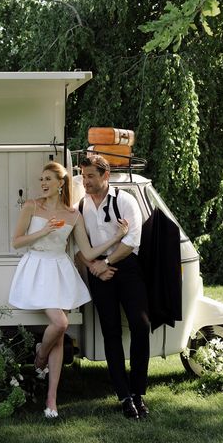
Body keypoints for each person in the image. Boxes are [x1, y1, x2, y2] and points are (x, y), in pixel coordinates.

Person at [8, 161, 128, 419]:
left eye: (48, 179)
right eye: (41, 179)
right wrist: (44, 231)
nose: (43, 184)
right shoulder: (31, 206)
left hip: (59, 271)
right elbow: (17, 242)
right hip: (37, 269)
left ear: (60, 184)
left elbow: (88, 252)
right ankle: (40, 358)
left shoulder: (74, 214)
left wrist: (116, 238)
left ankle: (51, 399)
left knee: (61, 335)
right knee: (60, 323)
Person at [75, 155, 150, 420]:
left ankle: (139, 392)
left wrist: (104, 263)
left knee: (141, 326)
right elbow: (78, 244)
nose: (85, 181)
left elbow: (132, 241)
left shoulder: (126, 200)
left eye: (90, 176)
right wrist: (94, 266)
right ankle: (124, 396)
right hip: (99, 273)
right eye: (83, 177)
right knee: (111, 332)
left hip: (127, 269)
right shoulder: (81, 205)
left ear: (105, 176)